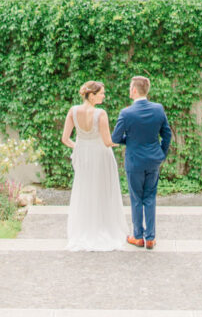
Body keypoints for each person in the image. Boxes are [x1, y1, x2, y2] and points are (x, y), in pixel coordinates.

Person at [60, 81, 127, 251]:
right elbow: (107, 141)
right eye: (101, 93)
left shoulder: (73, 111)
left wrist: (79, 147)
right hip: (100, 155)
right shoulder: (101, 114)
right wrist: (123, 141)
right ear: (92, 95)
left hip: (83, 156)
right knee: (102, 191)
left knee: (84, 190)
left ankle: (84, 229)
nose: (104, 96)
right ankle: (102, 228)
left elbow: (65, 139)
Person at [111, 76, 172, 250]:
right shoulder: (158, 109)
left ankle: (138, 236)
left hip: (134, 161)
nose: (129, 90)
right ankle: (151, 238)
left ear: (135, 90)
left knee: (136, 198)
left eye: (130, 88)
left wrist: (130, 140)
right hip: (154, 160)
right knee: (150, 197)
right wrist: (161, 153)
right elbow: (167, 134)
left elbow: (115, 138)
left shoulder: (126, 113)